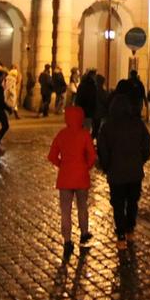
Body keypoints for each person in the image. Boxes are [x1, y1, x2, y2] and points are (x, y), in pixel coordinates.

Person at [97, 92, 150, 251]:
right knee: (133, 202)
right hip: (134, 172)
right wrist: (141, 160)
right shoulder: (137, 123)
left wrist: (107, 165)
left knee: (118, 204)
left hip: (116, 172)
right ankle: (130, 229)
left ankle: (121, 235)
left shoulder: (108, 126)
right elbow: (148, 144)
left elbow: (103, 149)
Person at [48, 106, 96, 258]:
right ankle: (84, 233)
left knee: (65, 211)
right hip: (81, 176)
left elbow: (52, 155)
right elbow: (92, 156)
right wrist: (86, 166)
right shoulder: (84, 134)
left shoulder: (62, 134)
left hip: (65, 177)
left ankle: (67, 241)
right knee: (82, 207)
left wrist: (61, 165)